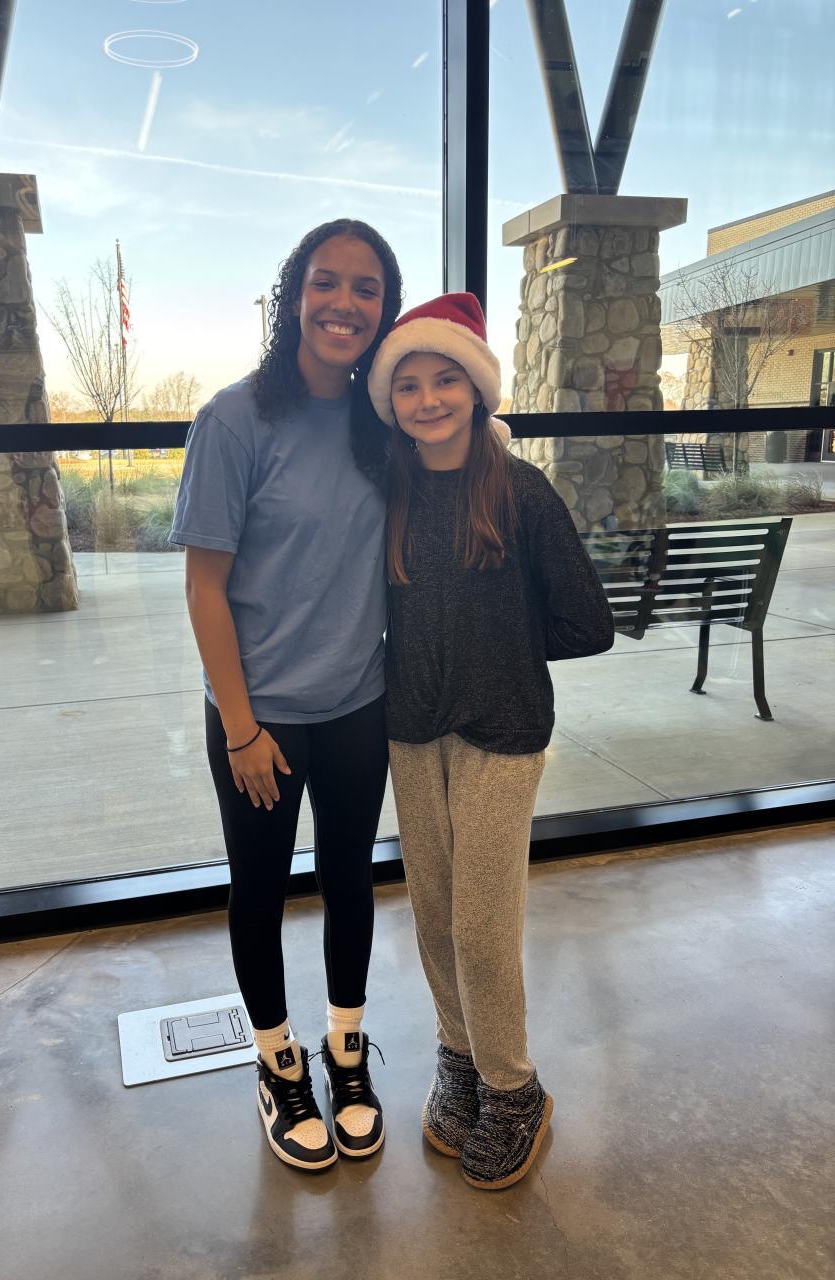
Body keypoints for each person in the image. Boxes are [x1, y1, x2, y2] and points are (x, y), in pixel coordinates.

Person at [367, 293, 615, 1190]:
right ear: (390, 402)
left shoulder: (520, 492)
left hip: (502, 733)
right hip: (410, 730)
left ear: (476, 390)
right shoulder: (388, 490)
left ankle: (514, 1089)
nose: (428, 399)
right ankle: (459, 1058)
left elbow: (588, 622)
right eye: (409, 386)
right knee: (433, 911)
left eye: (446, 380)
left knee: (480, 923)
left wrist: (500, 643)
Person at [170, 220, 402, 1172]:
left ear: (385, 308)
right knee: (260, 890)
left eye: (366, 288)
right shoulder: (235, 420)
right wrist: (240, 728)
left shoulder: (380, 422)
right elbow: (204, 587)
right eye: (326, 283)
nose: (345, 303)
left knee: (350, 879)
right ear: (293, 297)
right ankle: (277, 1062)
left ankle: (346, 1050)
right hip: (259, 717)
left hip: (357, 705)